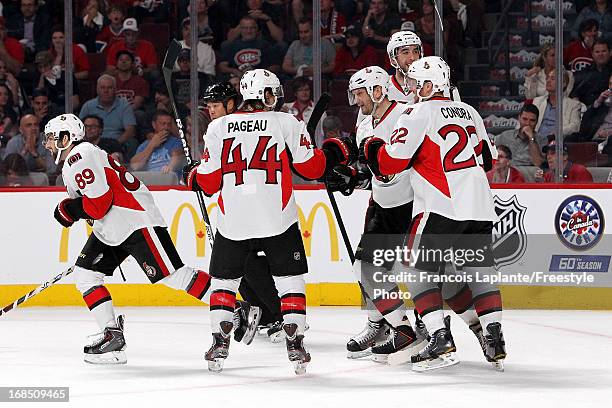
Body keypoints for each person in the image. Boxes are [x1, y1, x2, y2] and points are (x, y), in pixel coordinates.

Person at [42, 113, 259, 365]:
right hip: (113, 228)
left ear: (66, 138)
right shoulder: (77, 160)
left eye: (51, 138)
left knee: (172, 275)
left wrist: (70, 210)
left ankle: (236, 308)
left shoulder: (80, 156)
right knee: (86, 275)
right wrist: (74, 209)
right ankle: (112, 335)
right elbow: (95, 206)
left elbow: (99, 204)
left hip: (135, 220)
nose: (46, 143)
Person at [183, 69, 355, 374]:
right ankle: (295, 341)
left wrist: (194, 174)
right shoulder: (286, 121)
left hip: (233, 219)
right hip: (278, 217)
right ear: (267, 95)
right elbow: (311, 168)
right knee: (290, 282)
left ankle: (219, 342)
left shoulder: (218, 126)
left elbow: (208, 184)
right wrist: (332, 151)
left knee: (224, 283)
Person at [363, 56, 506, 371]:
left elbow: (391, 162)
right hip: (480, 207)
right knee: (479, 273)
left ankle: (439, 337)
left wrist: (373, 149)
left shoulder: (418, 112)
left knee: (415, 271)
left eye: (416, 83)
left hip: (441, 206)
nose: (412, 89)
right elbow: (487, 159)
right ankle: (493, 333)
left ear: (430, 85)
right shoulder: (469, 111)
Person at [336, 66, 423, 363]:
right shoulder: (364, 124)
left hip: (412, 205)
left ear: (378, 90)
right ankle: (388, 327)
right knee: (367, 268)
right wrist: (350, 177)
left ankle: (424, 330)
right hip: (383, 206)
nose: (357, 100)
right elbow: (372, 172)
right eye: (355, 94)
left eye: (361, 93)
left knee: (412, 271)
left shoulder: (406, 116)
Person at [200, 81, 284, 341]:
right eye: (209, 106)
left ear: (231, 104)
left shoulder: (241, 126)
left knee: (252, 263)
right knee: (241, 264)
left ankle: (279, 314)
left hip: (260, 206)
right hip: (237, 207)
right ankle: (267, 313)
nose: (211, 110)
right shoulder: (220, 129)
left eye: (215, 105)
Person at [79, 74, 137, 157]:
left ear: (115, 89)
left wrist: (114, 144)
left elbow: (130, 131)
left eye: (109, 87)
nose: (106, 91)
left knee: (132, 142)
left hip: (117, 142)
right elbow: (79, 130)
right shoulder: (88, 106)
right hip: (93, 142)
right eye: (102, 88)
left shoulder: (124, 105)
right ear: (97, 90)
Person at [533, 69, 585, 139]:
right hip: (536, 140)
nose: (548, 81)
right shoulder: (537, 101)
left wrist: (557, 132)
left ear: (563, 84)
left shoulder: (574, 105)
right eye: (547, 78)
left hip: (558, 141)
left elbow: (575, 126)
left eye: (552, 78)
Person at [130, 110, 184, 175]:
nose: (166, 127)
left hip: (169, 180)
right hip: (151, 181)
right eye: (163, 124)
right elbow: (135, 166)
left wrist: (171, 166)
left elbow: (177, 155)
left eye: (169, 124)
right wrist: (152, 145)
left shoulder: (176, 142)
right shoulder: (144, 145)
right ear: (154, 125)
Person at [571, 39, 612, 107]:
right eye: (597, 52)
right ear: (592, 54)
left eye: (604, 51)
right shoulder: (585, 72)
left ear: (610, 53)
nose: (600, 54)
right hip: (587, 112)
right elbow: (575, 93)